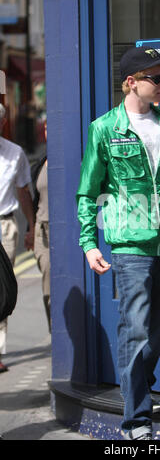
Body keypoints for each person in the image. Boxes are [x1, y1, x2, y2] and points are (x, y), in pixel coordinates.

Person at [76, 46, 160, 440]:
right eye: (156, 78)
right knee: (134, 329)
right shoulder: (105, 129)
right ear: (131, 83)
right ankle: (136, 422)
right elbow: (88, 192)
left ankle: (139, 389)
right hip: (130, 245)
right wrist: (89, 242)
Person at [0, 103, 35, 373]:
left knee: (2, 289)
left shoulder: (15, 153)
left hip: (4, 227)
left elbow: (23, 192)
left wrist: (31, 227)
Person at [32, 123, 50, 332]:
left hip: (63, 233)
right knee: (48, 291)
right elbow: (34, 199)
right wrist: (31, 228)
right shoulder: (41, 163)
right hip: (41, 232)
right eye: (46, 128)